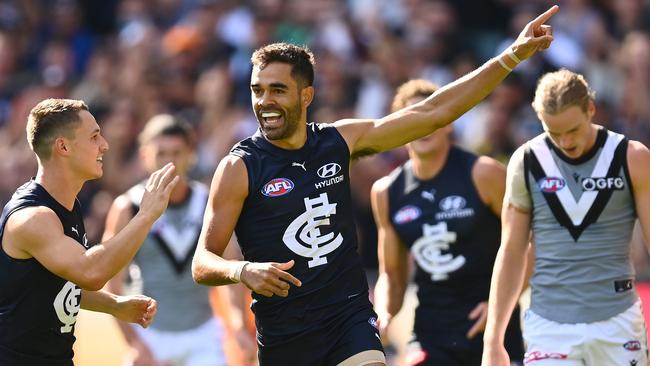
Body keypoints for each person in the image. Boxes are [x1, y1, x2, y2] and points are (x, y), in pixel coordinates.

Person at [191, 6, 558, 366]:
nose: (264, 102)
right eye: (257, 90)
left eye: (277, 90)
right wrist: (242, 271)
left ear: (306, 96)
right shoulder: (239, 167)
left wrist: (512, 55)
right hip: (285, 335)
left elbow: (433, 113)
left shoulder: (339, 142)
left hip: (347, 318)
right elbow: (202, 262)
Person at [482, 69, 650, 366]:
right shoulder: (526, 161)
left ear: (591, 109)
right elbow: (510, 251)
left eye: (572, 130)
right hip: (549, 327)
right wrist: (493, 339)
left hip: (618, 321)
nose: (565, 142)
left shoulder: (632, 157)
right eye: (553, 132)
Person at [0, 98, 179, 365]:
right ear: (63, 146)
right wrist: (146, 215)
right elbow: (89, 272)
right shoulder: (34, 218)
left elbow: (57, 285)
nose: (105, 145)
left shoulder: (65, 205)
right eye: (94, 137)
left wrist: (113, 304)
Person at [371, 79, 524, 366]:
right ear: (397, 129)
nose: (422, 125)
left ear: (449, 122)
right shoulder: (386, 192)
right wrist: (384, 315)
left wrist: (499, 305)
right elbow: (391, 273)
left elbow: (528, 241)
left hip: (492, 327)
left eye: (431, 115)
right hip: (431, 332)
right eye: (411, 118)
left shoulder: (484, 174)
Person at [103, 114, 256, 366]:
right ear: (144, 155)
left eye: (176, 152)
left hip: (203, 334)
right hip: (151, 334)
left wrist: (239, 324)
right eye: (161, 153)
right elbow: (113, 284)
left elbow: (230, 268)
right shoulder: (128, 207)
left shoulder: (207, 202)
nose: (169, 161)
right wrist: (134, 343)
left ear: (191, 155)